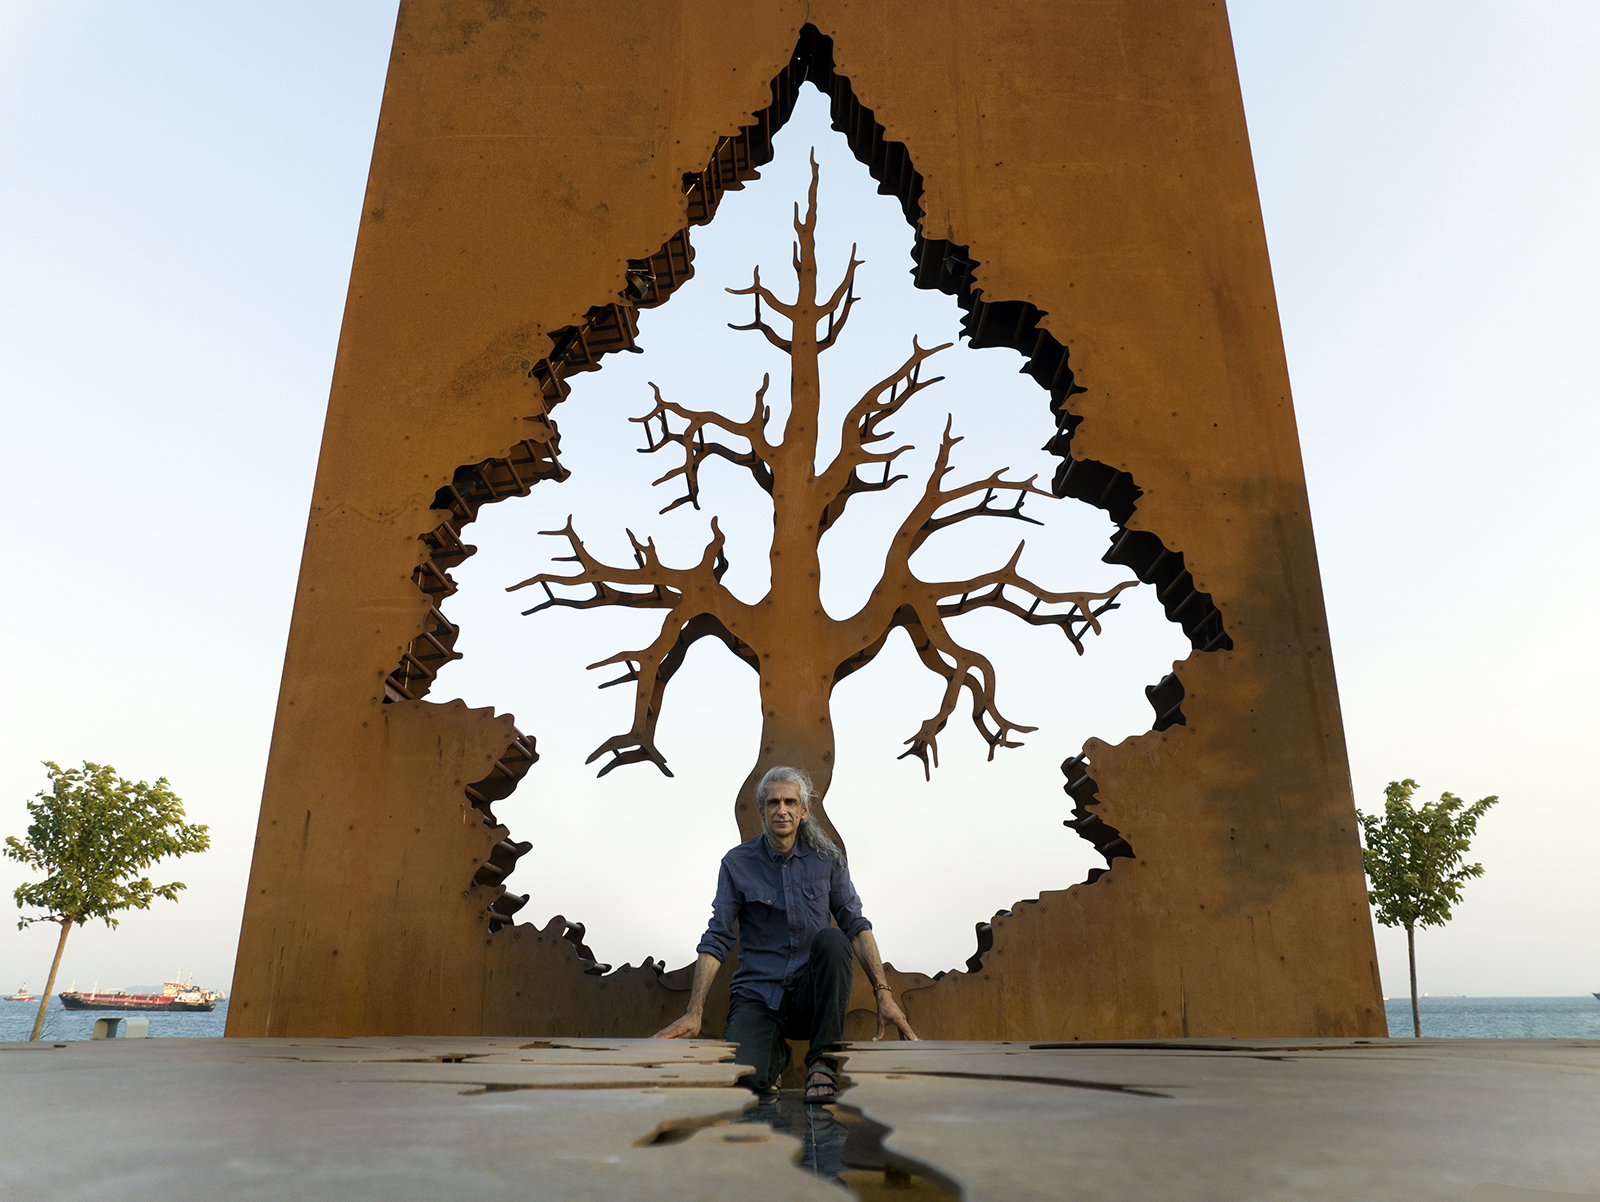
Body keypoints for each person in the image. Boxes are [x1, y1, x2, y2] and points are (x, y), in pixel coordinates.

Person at [652, 765, 919, 1101]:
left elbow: (856, 925)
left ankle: (821, 1063)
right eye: (773, 802)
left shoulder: (828, 859)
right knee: (748, 1083)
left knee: (834, 940)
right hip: (758, 995)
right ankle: (773, 1057)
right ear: (761, 810)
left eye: (790, 802)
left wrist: (883, 993)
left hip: (810, 998)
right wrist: (694, 1011)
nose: (782, 810)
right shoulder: (736, 864)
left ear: (804, 809)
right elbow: (717, 936)